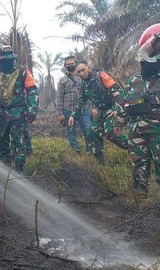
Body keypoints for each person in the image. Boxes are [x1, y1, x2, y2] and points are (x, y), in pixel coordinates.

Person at [116, 24, 160, 192]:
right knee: (138, 163)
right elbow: (125, 103)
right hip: (136, 130)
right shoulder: (133, 80)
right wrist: (120, 122)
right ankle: (139, 193)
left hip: (157, 130)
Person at [0, 45, 38, 172]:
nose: (6, 62)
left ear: (13, 58)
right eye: (3, 60)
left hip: (18, 113)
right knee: (1, 141)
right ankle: (6, 167)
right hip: (0, 114)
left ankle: (19, 169)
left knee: (18, 142)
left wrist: (32, 110)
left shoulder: (23, 71)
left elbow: (32, 91)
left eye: (8, 59)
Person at [68, 61, 128, 164]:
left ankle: (136, 148)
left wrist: (116, 109)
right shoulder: (83, 85)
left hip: (114, 107)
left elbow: (117, 92)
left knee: (111, 133)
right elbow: (81, 101)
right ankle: (101, 163)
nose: (82, 73)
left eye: (83, 70)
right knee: (93, 132)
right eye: (79, 72)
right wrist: (73, 116)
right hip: (102, 111)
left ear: (89, 68)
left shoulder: (101, 76)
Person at [55, 55, 92, 153]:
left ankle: (90, 150)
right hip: (68, 110)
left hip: (84, 109)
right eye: (68, 64)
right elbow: (59, 97)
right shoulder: (62, 80)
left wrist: (92, 107)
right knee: (71, 130)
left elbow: (89, 93)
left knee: (88, 129)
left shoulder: (82, 76)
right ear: (65, 66)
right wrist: (60, 113)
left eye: (72, 63)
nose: (70, 65)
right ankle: (75, 150)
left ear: (76, 64)